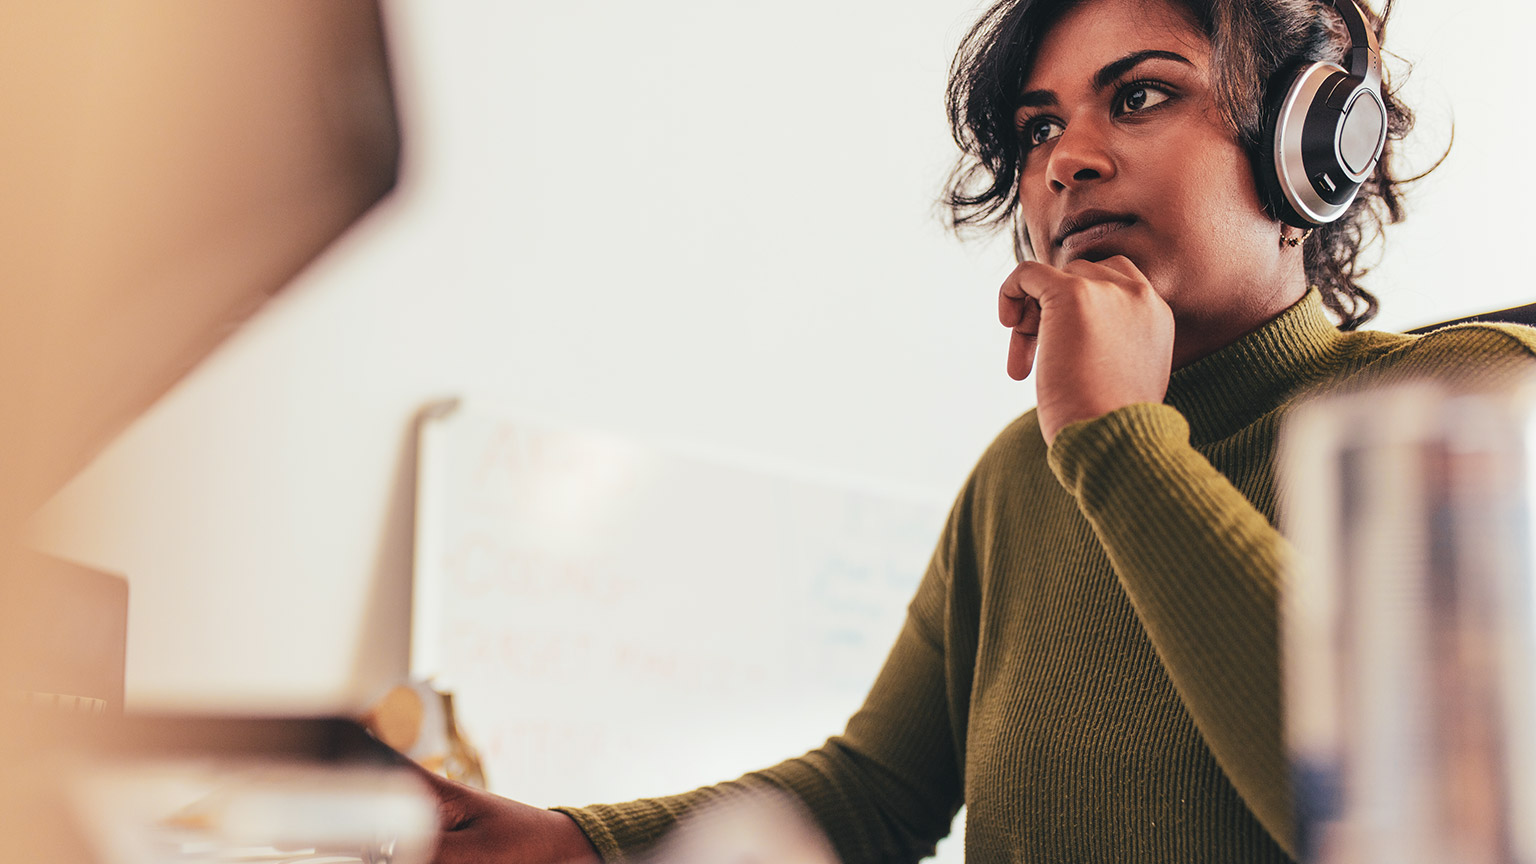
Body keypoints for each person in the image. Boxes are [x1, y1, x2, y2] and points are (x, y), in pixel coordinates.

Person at [419, 0, 1536, 861]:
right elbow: (873, 793)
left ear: (1312, 145)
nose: (1066, 160)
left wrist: (1118, 441)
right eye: (1040, 127)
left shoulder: (1466, 403)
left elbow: (1411, 819)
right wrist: (570, 841)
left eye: (1140, 96)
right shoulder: (1025, 475)